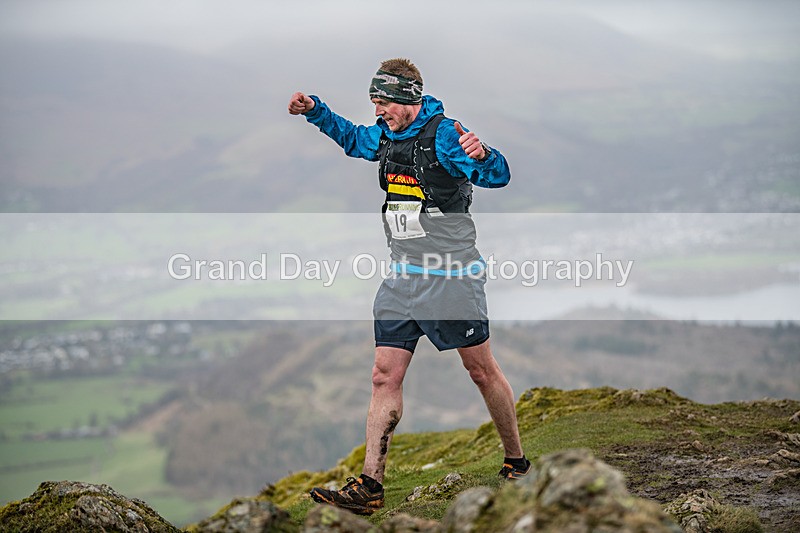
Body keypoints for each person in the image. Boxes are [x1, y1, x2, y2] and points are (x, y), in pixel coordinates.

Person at [287, 58, 529, 516]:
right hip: (402, 276)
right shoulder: (385, 134)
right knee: (384, 375)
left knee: (481, 370)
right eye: (374, 103)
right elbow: (353, 138)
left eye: (383, 103)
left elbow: (498, 175)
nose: (378, 111)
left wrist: (484, 156)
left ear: (408, 99)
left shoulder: (445, 134)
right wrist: (315, 110)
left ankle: (516, 460)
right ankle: (370, 487)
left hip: (451, 274)